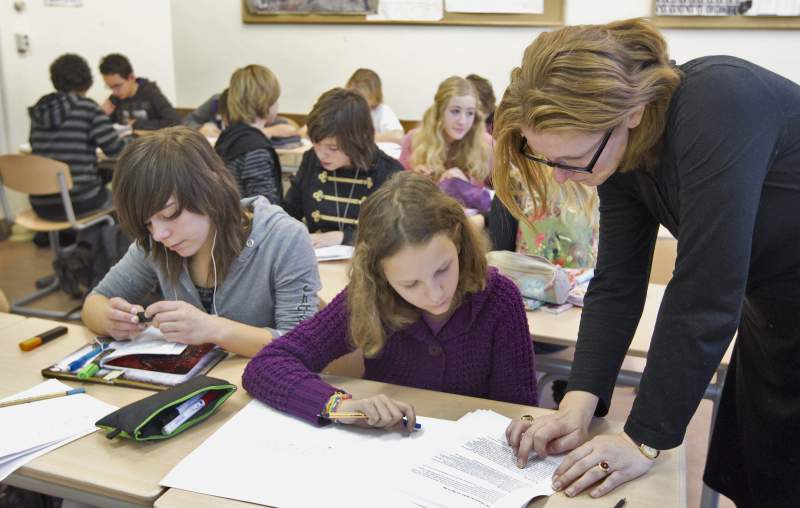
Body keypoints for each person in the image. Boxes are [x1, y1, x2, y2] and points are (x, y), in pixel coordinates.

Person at [495, 18, 800, 507]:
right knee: (766, 481)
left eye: (574, 159)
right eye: (552, 162)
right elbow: (617, 281)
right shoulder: (617, 150)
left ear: (631, 112)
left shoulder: (720, 102)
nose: (566, 178)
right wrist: (577, 402)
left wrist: (643, 440)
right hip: (772, 318)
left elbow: (705, 290)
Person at [243, 172, 538, 429]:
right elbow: (268, 364)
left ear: (457, 239)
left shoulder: (500, 299)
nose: (435, 293)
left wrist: (523, 426)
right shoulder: (370, 296)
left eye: (443, 269)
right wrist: (340, 406)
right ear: (380, 274)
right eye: (410, 284)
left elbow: (521, 410)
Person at [82, 126, 321, 358]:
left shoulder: (284, 238)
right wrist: (110, 320)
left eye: (168, 214)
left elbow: (300, 346)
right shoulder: (156, 243)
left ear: (210, 188)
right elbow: (95, 301)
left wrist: (214, 329)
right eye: (147, 223)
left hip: (261, 381)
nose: (158, 234)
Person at [281, 88, 402, 247]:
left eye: (333, 148)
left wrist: (346, 237)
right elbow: (289, 212)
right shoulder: (311, 160)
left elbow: (395, 233)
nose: (321, 155)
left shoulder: (388, 172)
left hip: (365, 260)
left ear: (357, 141)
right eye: (316, 143)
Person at [28, 53, 125, 220]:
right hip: (80, 200)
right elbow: (117, 150)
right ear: (86, 79)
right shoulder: (87, 108)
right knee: (126, 202)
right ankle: (98, 236)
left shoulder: (39, 111)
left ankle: (68, 234)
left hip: (40, 204)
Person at [399, 76, 493, 213]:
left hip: (472, 221)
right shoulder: (413, 140)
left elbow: (500, 199)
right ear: (439, 111)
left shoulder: (486, 144)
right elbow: (397, 193)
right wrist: (414, 181)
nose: (463, 121)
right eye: (455, 111)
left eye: (470, 113)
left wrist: (465, 186)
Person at [214, 65, 283, 204]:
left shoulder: (227, 137)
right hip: (246, 218)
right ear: (267, 101)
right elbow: (262, 207)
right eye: (276, 99)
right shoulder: (256, 150)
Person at [99, 53, 181, 130]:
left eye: (117, 86)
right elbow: (108, 128)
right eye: (110, 87)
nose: (114, 92)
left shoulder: (151, 93)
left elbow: (175, 122)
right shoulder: (115, 98)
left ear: (131, 77)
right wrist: (102, 115)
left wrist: (136, 124)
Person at [185, 92, 299, 140]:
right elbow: (187, 121)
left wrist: (260, 131)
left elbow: (288, 128)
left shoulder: (254, 108)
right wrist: (200, 128)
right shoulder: (216, 102)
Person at [346, 68, 404, 144]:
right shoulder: (345, 110)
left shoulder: (382, 111)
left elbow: (399, 136)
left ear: (374, 97)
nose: (357, 102)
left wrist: (369, 138)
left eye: (363, 98)